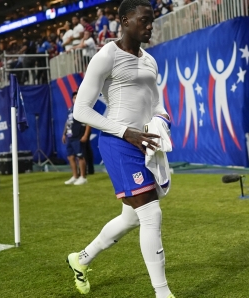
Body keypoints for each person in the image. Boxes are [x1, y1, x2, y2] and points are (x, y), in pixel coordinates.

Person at [67, 0, 175, 297]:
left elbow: (156, 102)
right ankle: (162, 293)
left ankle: (81, 259)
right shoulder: (106, 56)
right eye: (144, 20)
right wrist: (126, 132)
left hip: (143, 144)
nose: (150, 25)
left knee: (131, 217)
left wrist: (161, 120)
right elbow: (81, 110)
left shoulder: (150, 60)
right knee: (151, 215)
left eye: (152, 20)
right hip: (118, 143)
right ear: (124, 21)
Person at [62, 92, 91, 185]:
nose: (76, 99)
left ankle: (83, 177)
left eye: (77, 97)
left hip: (78, 136)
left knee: (80, 156)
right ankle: (75, 176)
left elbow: (88, 122)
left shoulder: (83, 109)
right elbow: (67, 122)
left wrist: (86, 135)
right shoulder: (70, 109)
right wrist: (64, 134)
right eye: (74, 97)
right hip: (70, 136)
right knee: (70, 156)